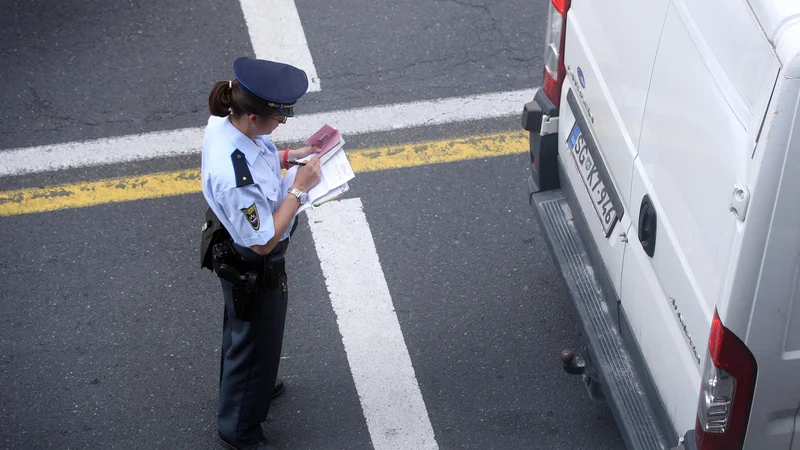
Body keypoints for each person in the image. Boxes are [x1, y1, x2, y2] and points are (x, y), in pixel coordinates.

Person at [200, 56, 322, 450]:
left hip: (235, 245)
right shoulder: (235, 178)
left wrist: (290, 157)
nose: (282, 122)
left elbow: (261, 155)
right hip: (252, 259)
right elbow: (262, 240)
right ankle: (239, 432)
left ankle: (255, 384)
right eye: (277, 117)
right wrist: (299, 188)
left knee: (248, 334)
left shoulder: (229, 122)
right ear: (253, 117)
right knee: (254, 340)